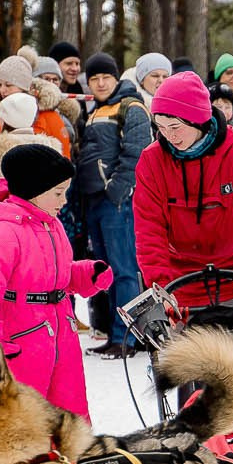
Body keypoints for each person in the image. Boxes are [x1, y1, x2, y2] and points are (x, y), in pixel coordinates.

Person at [0, 143, 112, 417]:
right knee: (24, 418)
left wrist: (85, 275)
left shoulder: (52, 224)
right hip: (22, 342)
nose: (64, 200)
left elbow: (55, 275)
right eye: (58, 193)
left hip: (62, 337)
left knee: (69, 414)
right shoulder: (5, 233)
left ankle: (70, 447)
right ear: (34, 190)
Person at [132, 70, 233, 309]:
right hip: (182, 283)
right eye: (161, 127)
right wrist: (161, 285)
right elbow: (149, 231)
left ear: (197, 119)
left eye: (174, 126)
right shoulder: (152, 161)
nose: (168, 135)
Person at [73, 51, 150, 358]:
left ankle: (126, 337)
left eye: (106, 77)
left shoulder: (131, 107)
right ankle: (112, 333)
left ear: (116, 78)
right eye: (94, 78)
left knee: (124, 270)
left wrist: (116, 190)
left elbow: (138, 152)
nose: (101, 83)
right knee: (106, 271)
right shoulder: (95, 110)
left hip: (117, 202)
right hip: (94, 200)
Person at [0, 54, 71, 177]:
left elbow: (63, 159)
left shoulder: (48, 115)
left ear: (24, 86)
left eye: (8, 85)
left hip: (39, 184)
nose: (3, 90)